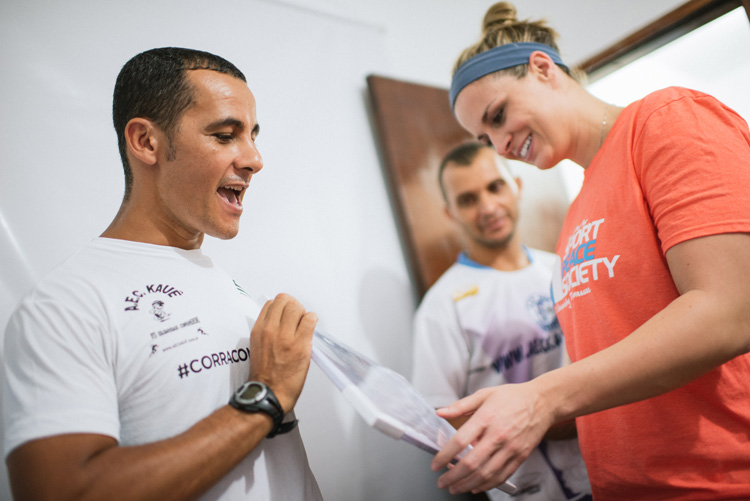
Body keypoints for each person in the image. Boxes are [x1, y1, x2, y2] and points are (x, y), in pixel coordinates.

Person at [429, 3, 750, 500]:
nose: (501, 145)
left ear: (542, 68)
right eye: (485, 138)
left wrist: (542, 397)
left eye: (499, 116)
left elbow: (733, 309)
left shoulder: (665, 120)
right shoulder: (576, 214)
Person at [3, 47, 323, 500]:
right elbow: (62, 490)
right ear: (146, 142)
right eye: (225, 135)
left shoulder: (224, 283)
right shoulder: (65, 305)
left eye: (252, 135)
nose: (254, 159)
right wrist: (265, 397)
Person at [411, 141, 591, 500]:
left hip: (610, 474)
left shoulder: (562, 268)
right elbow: (438, 416)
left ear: (517, 187)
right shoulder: (443, 304)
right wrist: (540, 421)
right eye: (468, 199)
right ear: (450, 213)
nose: (488, 207)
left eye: (495, 187)